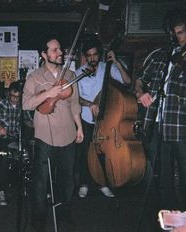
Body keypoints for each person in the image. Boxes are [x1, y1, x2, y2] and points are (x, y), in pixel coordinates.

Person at [134, 11, 186, 210]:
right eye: (174, 33)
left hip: (183, 128)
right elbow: (140, 79)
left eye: (182, 32)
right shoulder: (158, 56)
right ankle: (170, 224)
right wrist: (141, 93)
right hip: (158, 128)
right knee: (163, 183)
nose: (178, 38)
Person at [22, 36, 83, 232]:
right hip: (44, 138)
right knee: (40, 183)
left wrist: (79, 127)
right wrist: (48, 93)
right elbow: (26, 104)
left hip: (68, 135)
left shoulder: (71, 74)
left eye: (60, 50)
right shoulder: (34, 78)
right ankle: (38, 220)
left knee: (68, 181)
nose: (60, 53)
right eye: (55, 50)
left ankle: (65, 214)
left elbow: (75, 105)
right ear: (44, 55)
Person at [75, 38, 131, 199]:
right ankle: (84, 183)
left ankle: (103, 183)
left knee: (104, 152)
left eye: (95, 55)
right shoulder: (79, 73)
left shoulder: (107, 68)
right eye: (89, 55)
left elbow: (127, 82)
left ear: (99, 55)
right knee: (85, 152)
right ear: (85, 57)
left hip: (107, 120)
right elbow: (76, 98)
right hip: (86, 118)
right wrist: (90, 104)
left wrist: (117, 62)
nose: (93, 58)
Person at [0, 80, 32, 206]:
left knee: (28, 155)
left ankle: (24, 187)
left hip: (16, 138)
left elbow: (28, 121)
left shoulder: (23, 105)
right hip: (1, 138)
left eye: (18, 97)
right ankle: (1, 190)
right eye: (13, 96)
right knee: (3, 159)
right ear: (9, 93)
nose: (15, 99)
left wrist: (38, 125)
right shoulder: (0, 104)